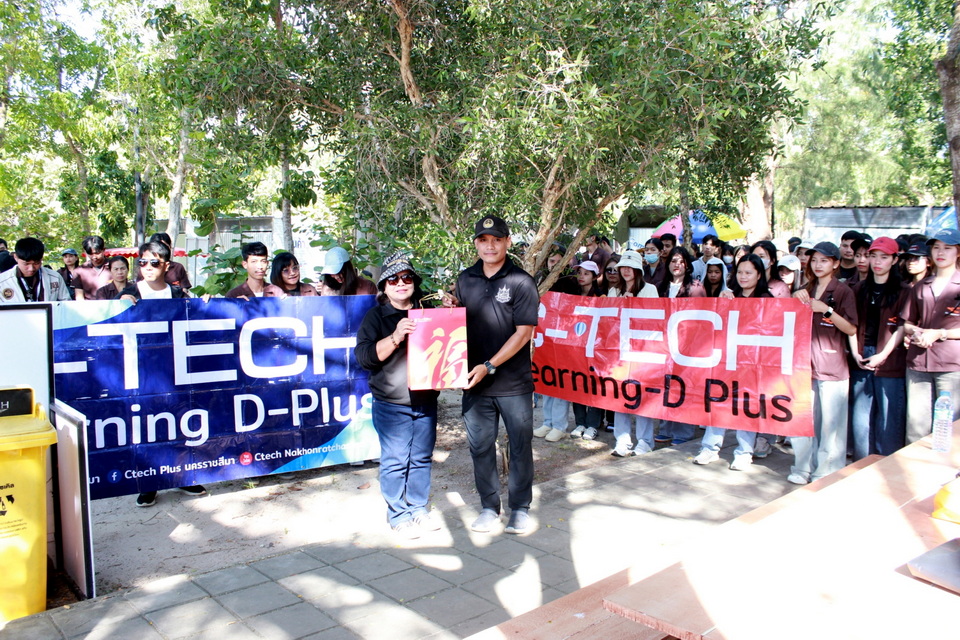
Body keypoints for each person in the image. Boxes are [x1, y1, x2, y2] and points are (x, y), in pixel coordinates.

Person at [442, 215, 539, 535]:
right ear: (476, 244)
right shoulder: (465, 279)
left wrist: (490, 365)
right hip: (474, 383)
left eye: (497, 239)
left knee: (520, 447)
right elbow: (459, 323)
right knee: (480, 447)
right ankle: (488, 507)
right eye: (483, 240)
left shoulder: (522, 281)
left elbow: (523, 333)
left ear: (508, 242)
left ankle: (520, 508)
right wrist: (451, 308)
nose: (490, 246)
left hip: (513, 384)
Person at [356, 252, 440, 540]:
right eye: (393, 279)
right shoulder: (376, 317)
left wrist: (450, 311)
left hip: (425, 400)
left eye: (406, 278)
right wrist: (395, 336)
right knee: (395, 461)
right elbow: (365, 358)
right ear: (384, 286)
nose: (401, 283)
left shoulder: (429, 312)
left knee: (421, 458)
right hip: (391, 404)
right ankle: (398, 515)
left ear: (414, 282)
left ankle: (418, 509)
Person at [116, 241, 206, 506]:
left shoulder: (178, 294)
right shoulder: (131, 293)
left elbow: (196, 320)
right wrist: (121, 304)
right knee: (148, 426)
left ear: (167, 265)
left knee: (180, 422)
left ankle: (182, 476)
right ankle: (149, 483)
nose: (147, 267)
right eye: (143, 262)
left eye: (154, 262)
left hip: (176, 369)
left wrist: (206, 304)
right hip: (143, 374)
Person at [788, 241, 858, 485]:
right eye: (815, 259)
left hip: (832, 365)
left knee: (831, 424)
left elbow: (851, 328)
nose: (818, 265)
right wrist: (795, 298)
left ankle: (826, 471)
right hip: (804, 365)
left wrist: (826, 310)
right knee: (802, 420)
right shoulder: (805, 288)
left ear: (836, 263)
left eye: (824, 260)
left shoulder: (843, 291)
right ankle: (802, 467)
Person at [693, 255, 771, 470]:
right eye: (740, 272)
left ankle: (744, 451)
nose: (743, 277)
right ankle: (710, 447)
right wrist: (722, 303)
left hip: (752, 362)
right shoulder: (729, 295)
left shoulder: (767, 299)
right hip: (727, 360)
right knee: (718, 401)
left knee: (746, 405)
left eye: (749, 273)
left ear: (759, 275)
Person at [849, 237, 909, 458]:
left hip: (890, 358)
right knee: (860, 417)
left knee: (888, 418)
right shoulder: (859, 288)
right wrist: (855, 353)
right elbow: (852, 324)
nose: (877, 262)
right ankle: (861, 463)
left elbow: (903, 326)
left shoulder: (904, 290)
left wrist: (883, 354)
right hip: (861, 356)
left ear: (894, 260)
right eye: (873, 256)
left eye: (884, 257)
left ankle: (887, 465)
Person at [901, 228, 960, 443]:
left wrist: (940, 333)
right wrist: (917, 332)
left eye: (947, 248)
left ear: (958, 252)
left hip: (951, 365)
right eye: (936, 248)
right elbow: (907, 323)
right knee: (916, 427)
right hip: (918, 364)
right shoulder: (921, 286)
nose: (940, 252)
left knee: (949, 427)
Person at [608, 250, 659, 456]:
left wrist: (635, 304)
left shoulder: (650, 289)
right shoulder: (613, 291)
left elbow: (654, 319)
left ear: (638, 269)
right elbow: (609, 320)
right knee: (620, 393)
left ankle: (645, 441)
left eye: (631, 267)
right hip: (619, 350)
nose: (626, 271)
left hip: (642, 350)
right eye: (623, 267)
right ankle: (622, 440)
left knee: (642, 395)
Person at [656, 247, 705, 445]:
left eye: (681, 261)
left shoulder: (695, 287)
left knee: (684, 387)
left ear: (687, 264)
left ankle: (683, 432)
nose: (677, 265)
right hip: (663, 344)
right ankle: (665, 428)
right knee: (665, 386)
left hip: (687, 346)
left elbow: (700, 319)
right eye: (673, 260)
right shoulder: (660, 287)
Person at [569, 261, 604, 441]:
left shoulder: (601, 296)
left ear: (595, 276)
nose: (581, 276)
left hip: (595, 346)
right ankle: (580, 422)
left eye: (586, 273)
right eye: (580, 272)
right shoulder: (572, 295)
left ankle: (593, 425)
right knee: (577, 383)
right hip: (575, 346)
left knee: (595, 385)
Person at [0, 237, 72, 303]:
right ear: (15, 257)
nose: (31, 268)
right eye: (26, 264)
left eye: (36, 263)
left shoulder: (55, 277)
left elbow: (66, 303)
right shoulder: (2, 281)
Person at [73, 235, 111, 300]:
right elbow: (79, 297)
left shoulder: (114, 267)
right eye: (90, 254)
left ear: (103, 250)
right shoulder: (79, 271)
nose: (94, 257)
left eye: (97, 253)